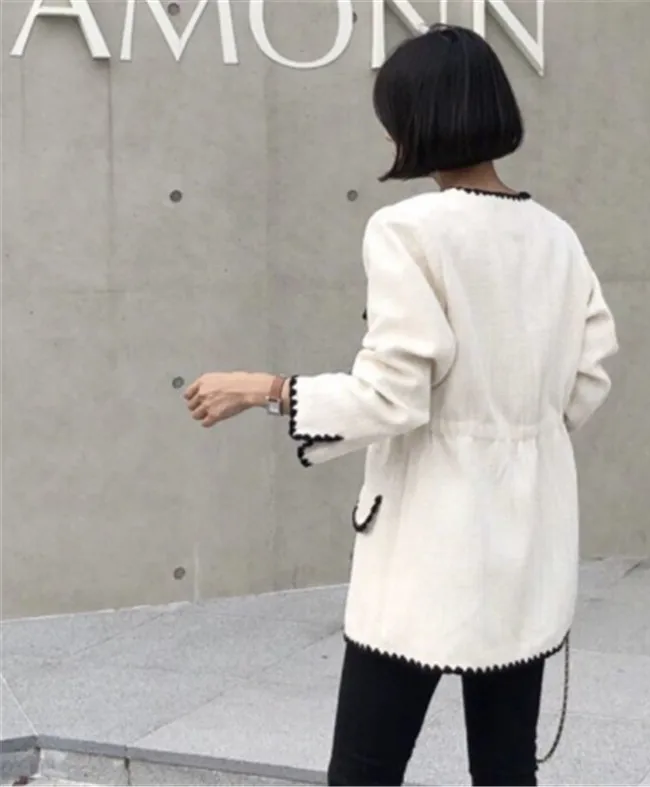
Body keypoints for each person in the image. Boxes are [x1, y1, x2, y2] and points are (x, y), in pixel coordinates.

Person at [184, 23, 618, 787]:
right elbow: (589, 378)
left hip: (429, 545)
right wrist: (514, 431)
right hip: (529, 539)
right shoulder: (557, 238)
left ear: (415, 121)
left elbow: (393, 394)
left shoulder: (408, 230)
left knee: (365, 769)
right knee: (507, 768)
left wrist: (265, 388)